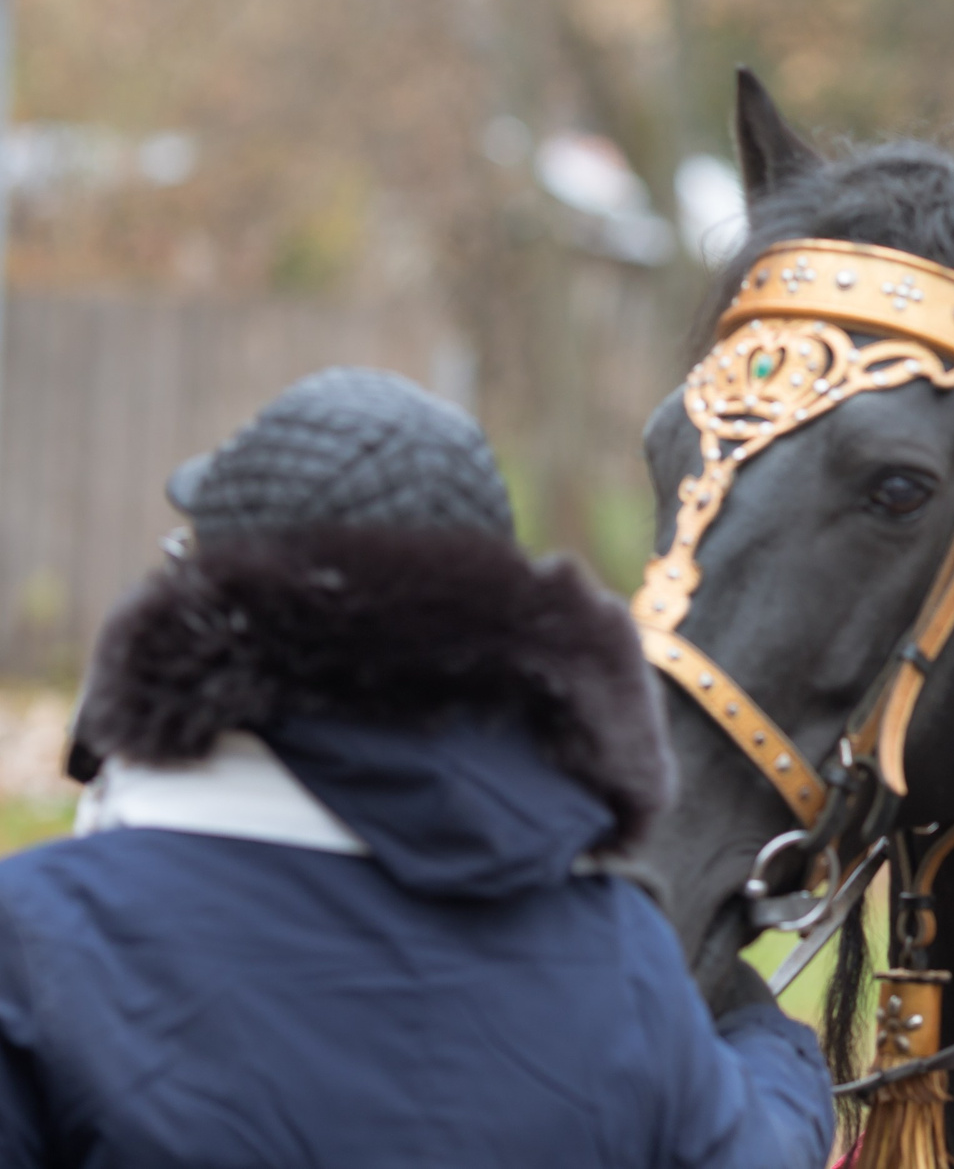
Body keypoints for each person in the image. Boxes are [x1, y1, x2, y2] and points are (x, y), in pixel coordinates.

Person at [0, 368, 834, 1168]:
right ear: (495, 638)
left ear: (207, 611)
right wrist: (770, 1044)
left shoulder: (36, 941)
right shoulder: (616, 954)